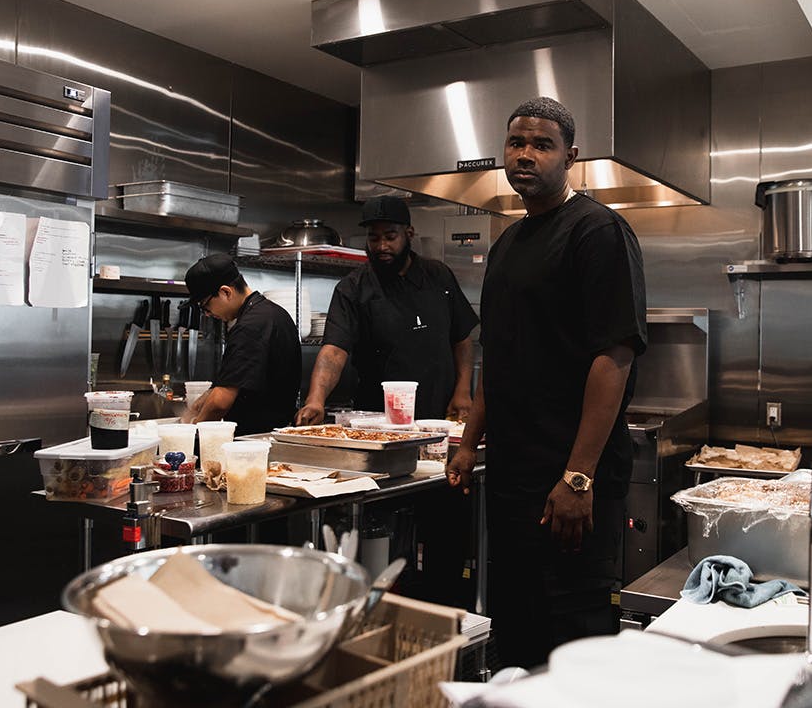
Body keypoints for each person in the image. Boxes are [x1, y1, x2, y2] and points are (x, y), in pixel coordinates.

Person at [446, 97, 647, 668]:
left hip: (569, 482)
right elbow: (499, 356)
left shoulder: (598, 231)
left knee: (571, 639)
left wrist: (578, 476)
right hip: (513, 477)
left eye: (542, 145)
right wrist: (468, 443)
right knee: (517, 625)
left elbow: (614, 356)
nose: (525, 155)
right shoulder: (508, 243)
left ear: (570, 156)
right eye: (516, 143)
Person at [294, 196, 479, 425]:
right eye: (374, 238)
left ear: (409, 234)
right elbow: (334, 352)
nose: (382, 246)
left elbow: (461, 339)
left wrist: (463, 391)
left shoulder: (438, 275)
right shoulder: (353, 288)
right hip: (377, 419)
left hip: (438, 414)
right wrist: (315, 400)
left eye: (390, 237)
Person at [181, 253, 302, 434]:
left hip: (255, 438)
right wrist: (199, 404)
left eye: (205, 305)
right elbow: (232, 381)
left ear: (225, 292)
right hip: (273, 433)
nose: (206, 313)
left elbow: (220, 402)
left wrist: (192, 432)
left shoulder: (250, 326)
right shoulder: (273, 313)